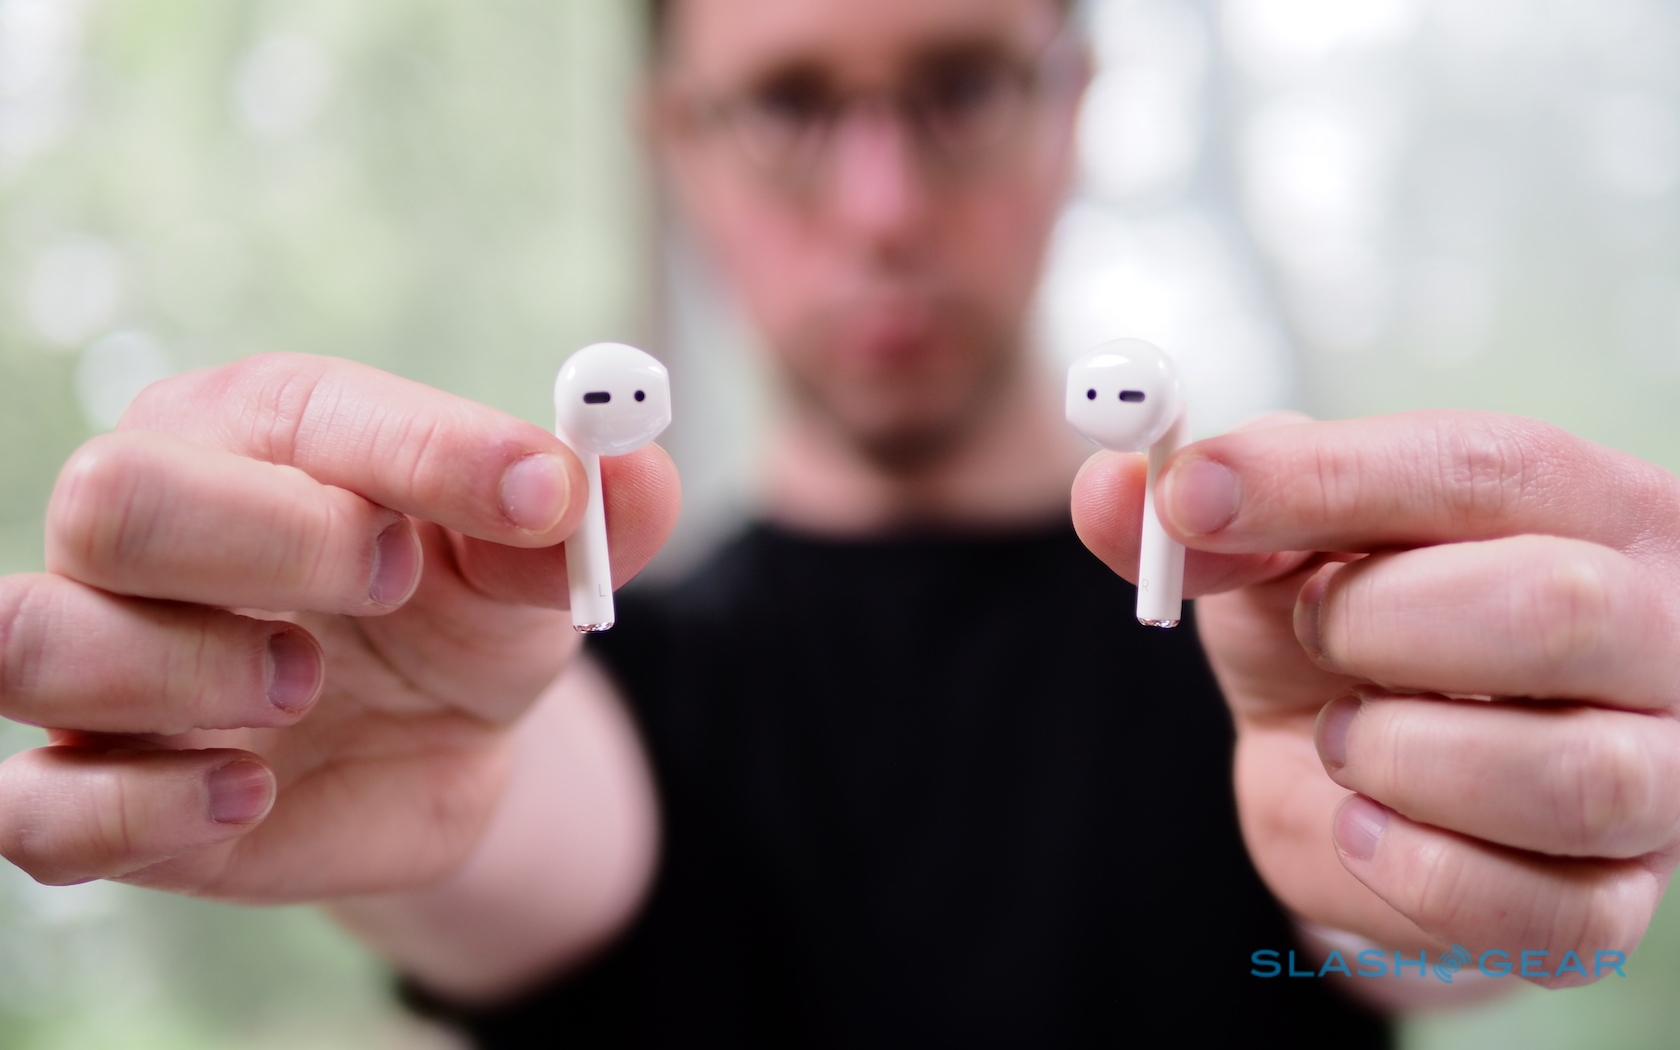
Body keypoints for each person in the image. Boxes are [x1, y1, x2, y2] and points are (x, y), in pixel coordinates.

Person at [3, 0, 1680, 1044]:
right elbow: (500, 798)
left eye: (959, 85)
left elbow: (1392, 935)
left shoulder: (1287, 633)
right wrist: (331, 679)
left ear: (1072, 102)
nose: (883, 208)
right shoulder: (575, 682)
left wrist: (1469, 854)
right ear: (678, 146)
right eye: (794, 103)